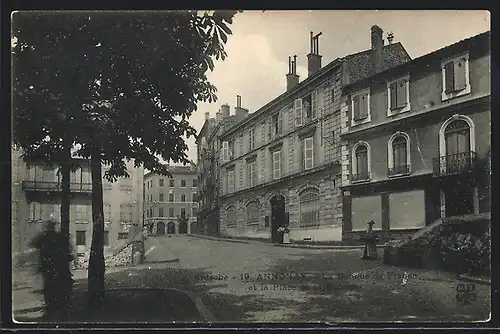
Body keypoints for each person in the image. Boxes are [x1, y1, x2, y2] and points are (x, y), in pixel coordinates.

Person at [31, 220, 74, 318]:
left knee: (49, 287)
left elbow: (34, 243)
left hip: (49, 267)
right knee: (60, 286)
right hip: (59, 266)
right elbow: (68, 251)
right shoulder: (59, 236)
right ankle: (62, 308)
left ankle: (51, 308)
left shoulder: (44, 237)